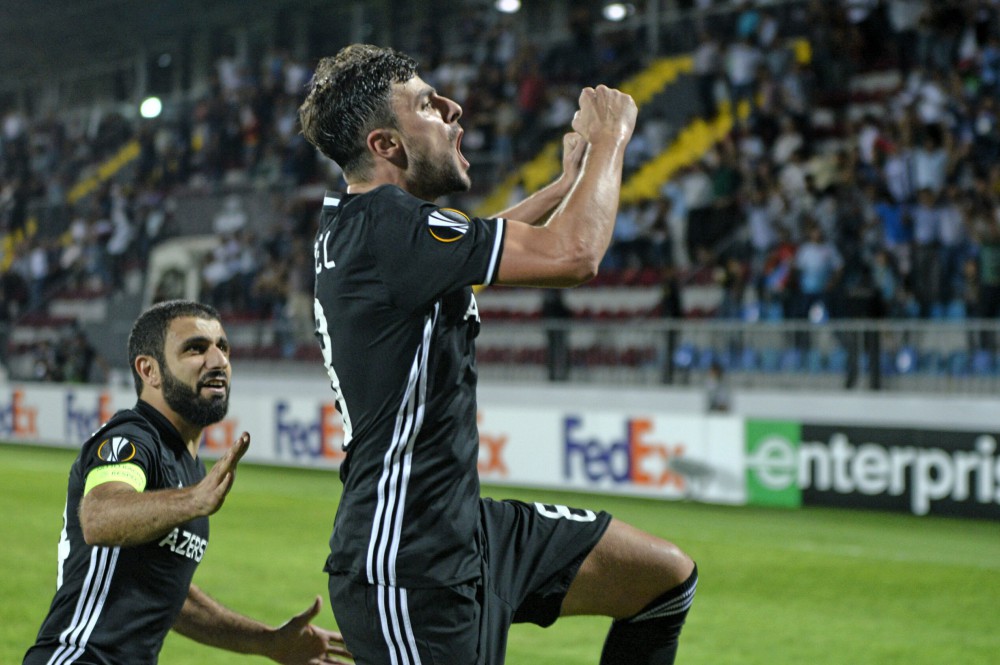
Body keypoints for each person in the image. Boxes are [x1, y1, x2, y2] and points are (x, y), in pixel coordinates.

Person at [298, 44, 697, 665]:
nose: (453, 108)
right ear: (386, 145)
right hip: (409, 560)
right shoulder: (387, 226)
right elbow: (575, 256)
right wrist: (614, 137)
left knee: (662, 578)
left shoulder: (367, 225)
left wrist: (565, 186)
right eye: (427, 104)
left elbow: (470, 256)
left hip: (467, 527)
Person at [23, 300, 352, 665]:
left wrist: (268, 643)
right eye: (196, 348)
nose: (218, 361)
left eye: (223, 348)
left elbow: (171, 597)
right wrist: (193, 501)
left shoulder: (187, 463)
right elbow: (99, 515)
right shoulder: (131, 438)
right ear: (150, 371)